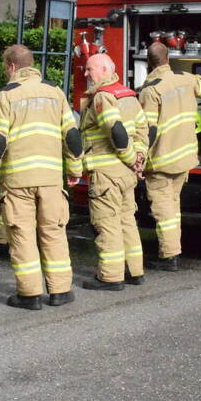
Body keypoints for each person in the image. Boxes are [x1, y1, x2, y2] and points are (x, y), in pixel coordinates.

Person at [0, 44, 83, 309]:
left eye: (5, 68)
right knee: (53, 233)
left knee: (22, 236)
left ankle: (30, 295)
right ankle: (60, 291)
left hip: (18, 181)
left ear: (12, 67)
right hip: (50, 179)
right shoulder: (55, 91)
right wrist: (74, 170)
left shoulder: (7, 96)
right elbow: (72, 136)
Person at [79, 53, 148, 290]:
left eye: (90, 69)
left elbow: (116, 130)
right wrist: (139, 158)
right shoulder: (128, 95)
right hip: (126, 175)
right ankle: (134, 271)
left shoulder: (103, 97)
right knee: (127, 220)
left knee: (106, 223)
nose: (86, 74)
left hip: (107, 172)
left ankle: (110, 277)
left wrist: (130, 158)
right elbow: (142, 130)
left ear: (106, 70)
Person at [139, 42, 201, 271]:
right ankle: (173, 249)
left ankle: (169, 257)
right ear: (168, 57)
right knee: (173, 206)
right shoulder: (185, 78)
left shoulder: (151, 90)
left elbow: (149, 129)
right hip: (185, 157)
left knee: (164, 210)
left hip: (162, 161)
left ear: (149, 62)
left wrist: (139, 157)